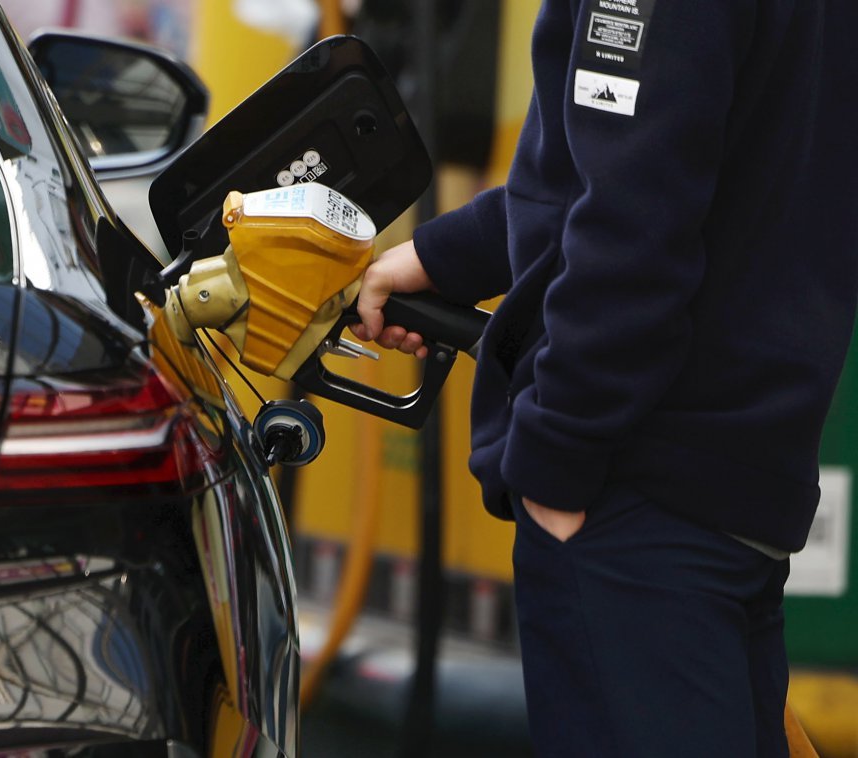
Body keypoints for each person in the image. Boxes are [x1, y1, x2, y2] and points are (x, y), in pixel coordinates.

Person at [351, 1, 858, 756]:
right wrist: (443, 256)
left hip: (635, 501)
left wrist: (555, 460)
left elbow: (632, 215)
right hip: (744, 496)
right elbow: (664, 166)